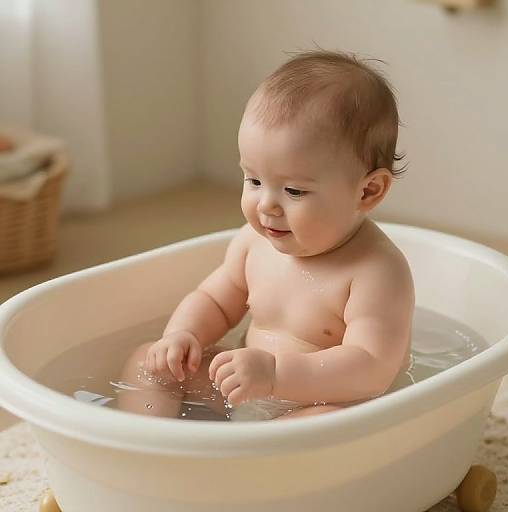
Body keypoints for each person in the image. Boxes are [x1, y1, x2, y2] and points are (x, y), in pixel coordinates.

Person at [118, 49, 415, 421]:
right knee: (149, 363)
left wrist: (276, 375)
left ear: (368, 191)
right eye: (254, 181)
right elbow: (214, 299)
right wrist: (182, 336)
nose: (266, 206)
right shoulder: (254, 243)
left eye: (294, 191)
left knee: (323, 425)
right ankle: (149, 448)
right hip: (240, 387)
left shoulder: (376, 271)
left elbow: (372, 368)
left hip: (319, 404)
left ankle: (255, 471)